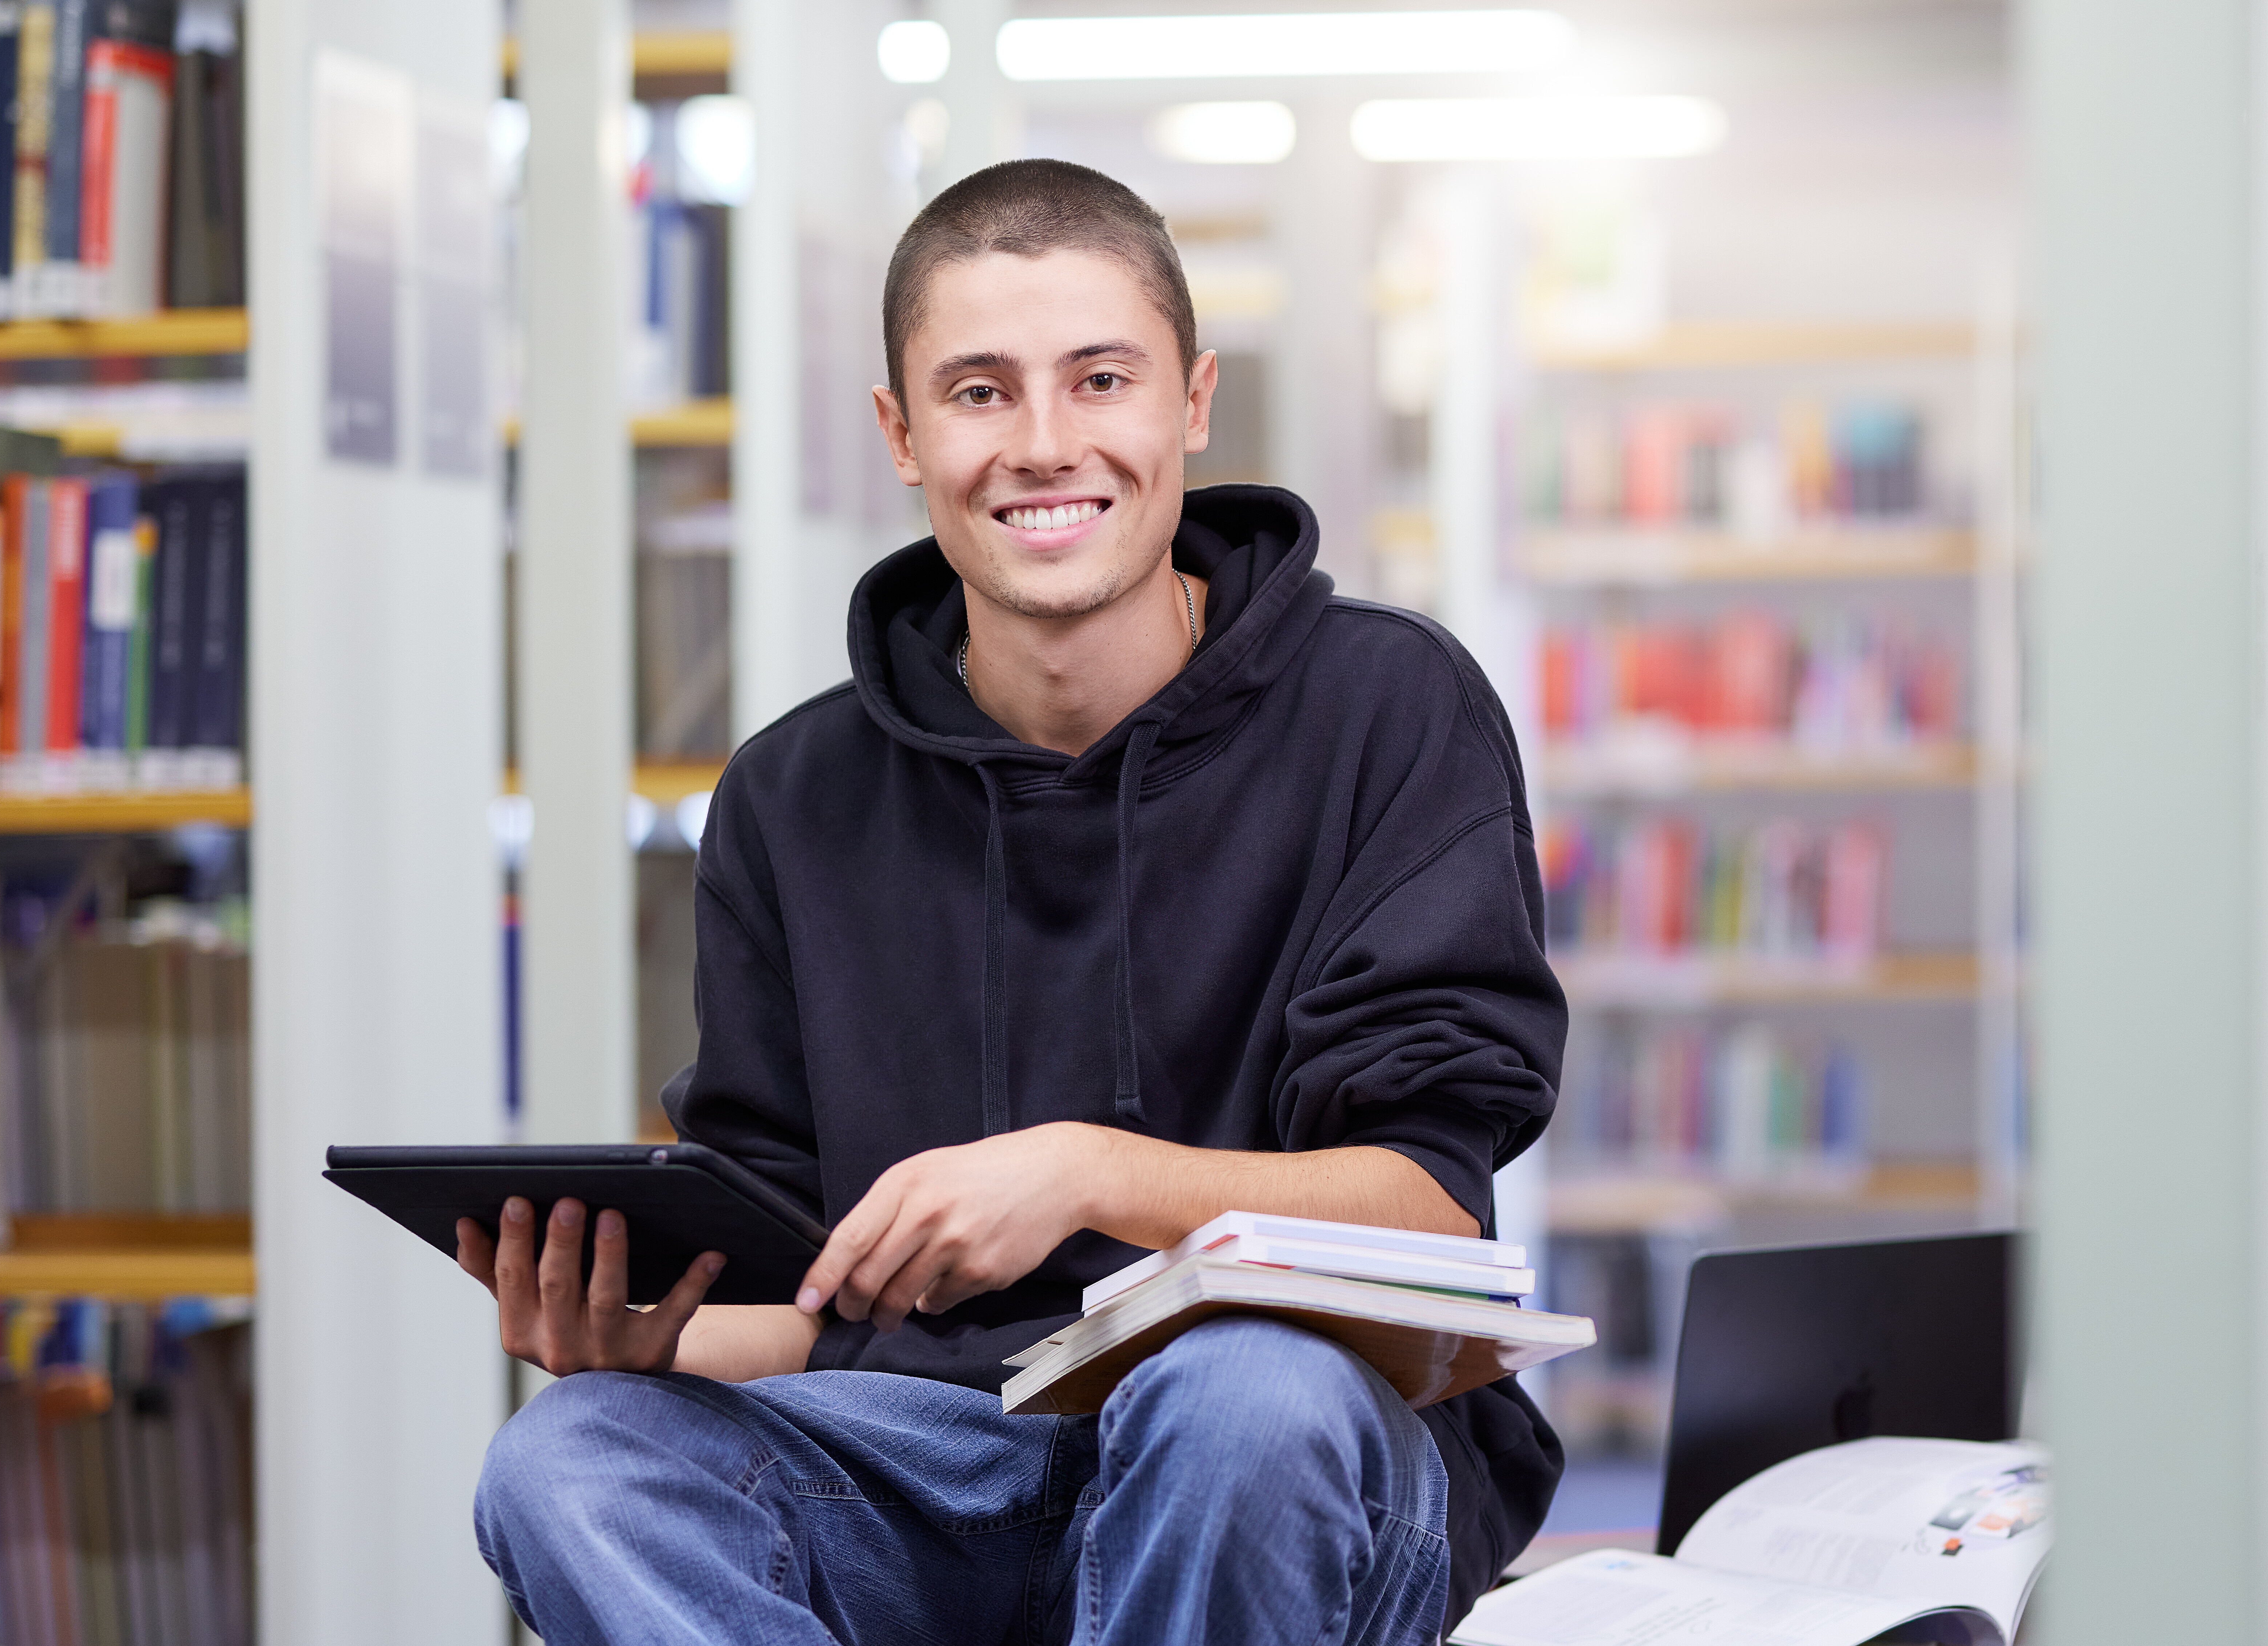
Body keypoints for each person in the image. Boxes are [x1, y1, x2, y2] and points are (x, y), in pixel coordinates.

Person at [458, 157, 1567, 1645]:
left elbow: (1428, 1208)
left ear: (1192, 403)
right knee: (568, 1459)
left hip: (1301, 1448)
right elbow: (808, 1292)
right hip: (937, 1464)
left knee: (1239, 1388)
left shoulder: (1389, 708)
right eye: (979, 393)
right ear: (901, 433)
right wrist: (629, 1338)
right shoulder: (793, 795)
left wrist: (1086, 1171)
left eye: (1099, 378)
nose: (1045, 445)